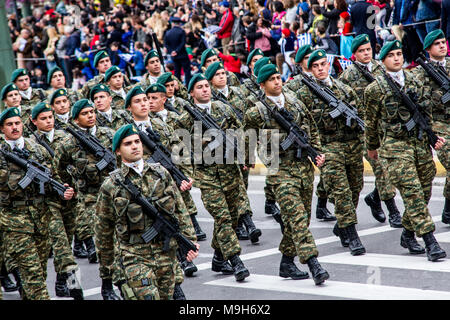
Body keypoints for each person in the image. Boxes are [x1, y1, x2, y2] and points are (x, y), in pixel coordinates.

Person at [244, 63, 329, 285]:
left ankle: (286, 262)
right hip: (280, 171)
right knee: (297, 219)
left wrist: (316, 152)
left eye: (278, 77)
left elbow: (311, 129)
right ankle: (313, 264)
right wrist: (249, 158)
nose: (277, 81)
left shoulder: (295, 103)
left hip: (303, 169)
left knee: (301, 220)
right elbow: (249, 138)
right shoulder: (256, 112)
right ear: (262, 85)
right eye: (271, 79)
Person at [95, 124, 199, 300]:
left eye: (137, 142)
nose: (135, 146)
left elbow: (180, 209)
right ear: (118, 151)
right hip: (134, 256)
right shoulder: (111, 185)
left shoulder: (161, 173)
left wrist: (190, 241)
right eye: (128, 143)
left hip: (166, 255)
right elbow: (103, 230)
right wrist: (107, 273)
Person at [364, 40, 447, 262]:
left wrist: (431, 137)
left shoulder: (414, 80)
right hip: (394, 146)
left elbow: (426, 111)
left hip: (419, 143)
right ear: (383, 61)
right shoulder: (374, 89)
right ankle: (430, 241)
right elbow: (370, 123)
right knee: (412, 193)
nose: (397, 58)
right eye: (391, 55)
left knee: (425, 192)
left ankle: (408, 234)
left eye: (400, 54)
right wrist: (372, 147)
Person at [175, 74, 251, 282]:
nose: (205, 90)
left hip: (230, 172)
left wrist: (245, 154)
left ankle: (218, 258)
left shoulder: (223, 109)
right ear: (191, 93)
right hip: (207, 175)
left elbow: (241, 132)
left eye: (207, 86)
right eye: (199, 87)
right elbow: (180, 151)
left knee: (232, 218)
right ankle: (236, 261)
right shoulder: (184, 119)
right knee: (223, 217)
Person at [0, 107, 75, 299]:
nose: (15, 127)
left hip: (41, 220)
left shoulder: (38, 150)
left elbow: (54, 178)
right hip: (13, 223)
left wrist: (63, 191)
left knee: (38, 274)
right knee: (33, 275)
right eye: (9, 124)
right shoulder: (1, 154)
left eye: (17, 123)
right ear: (2, 129)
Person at [297, 50, 366, 255]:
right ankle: (352, 235)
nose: (319, 69)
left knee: (356, 187)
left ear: (328, 66)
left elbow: (360, 115)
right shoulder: (305, 93)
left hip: (352, 145)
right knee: (341, 191)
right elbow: (302, 122)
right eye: (315, 66)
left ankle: (343, 225)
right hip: (328, 147)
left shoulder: (344, 89)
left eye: (322, 64)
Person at [54, 99, 119, 300]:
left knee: (118, 244)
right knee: (104, 243)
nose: (91, 115)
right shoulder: (68, 143)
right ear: (75, 119)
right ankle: (106, 286)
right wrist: (69, 185)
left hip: (114, 196)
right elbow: (58, 169)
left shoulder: (108, 135)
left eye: (92, 112)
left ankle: (115, 283)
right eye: (85, 113)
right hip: (88, 200)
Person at [339, 34, 402, 228]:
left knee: (391, 168)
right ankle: (393, 211)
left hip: (386, 126)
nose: (366, 53)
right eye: (361, 51)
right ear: (354, 53)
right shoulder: (347, 76)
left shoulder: (381, 67)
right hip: (364, 130)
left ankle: (375, 197)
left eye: (368, 49)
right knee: (381, 167)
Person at [29, 102, 83, 300]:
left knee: (67, 240)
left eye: (50, 117)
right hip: (48, 202)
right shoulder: (31, 144)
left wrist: (74, 188)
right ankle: (75, 285)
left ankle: (61, 283)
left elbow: (77, 166)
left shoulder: (65, 138)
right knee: (60, 244)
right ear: (34, 122)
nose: (48, 121)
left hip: (69, 199)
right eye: (43, 119)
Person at [205, 61, 262, 243]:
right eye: (218, 74)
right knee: (236, 188)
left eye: (223, 73)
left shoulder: (238, 93)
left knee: (241, 186)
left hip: (242, 145)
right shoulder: (209, 99)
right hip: (223, 150)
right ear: (211, 80)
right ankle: (247, 222)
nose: (222, 76)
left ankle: (238, 223)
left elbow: (249, 122)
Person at [410, 30, 449, 225]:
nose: (442, 46)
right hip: (438, 124)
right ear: (428, 50)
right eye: (437, 44)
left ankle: (448, 206)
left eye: (443, 42)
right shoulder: (420, 72)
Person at [164, 16, 192, 86]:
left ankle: (177, 87)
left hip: (174, 56)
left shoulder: (168, 32)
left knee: (177, 72)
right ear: (179, 23)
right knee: (187, 71)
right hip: (182, 55)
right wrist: (177, 51)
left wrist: (172, 51)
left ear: (172, 23)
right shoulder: (181, 31)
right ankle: (188, 86)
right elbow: (183, 43)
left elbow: (166, 44)